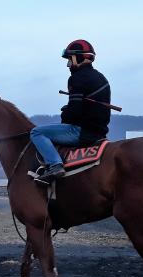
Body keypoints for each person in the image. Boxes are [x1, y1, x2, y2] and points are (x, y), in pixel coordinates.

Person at [30, 39, 111, 182]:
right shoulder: (101, 77)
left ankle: (55, 164)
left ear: (79, 57)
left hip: (82, 133)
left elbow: (72, 115)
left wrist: (65, 112)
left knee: (36, 132)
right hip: (100, 132)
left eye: (70, 59)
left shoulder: (76, 79)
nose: (68, 64)